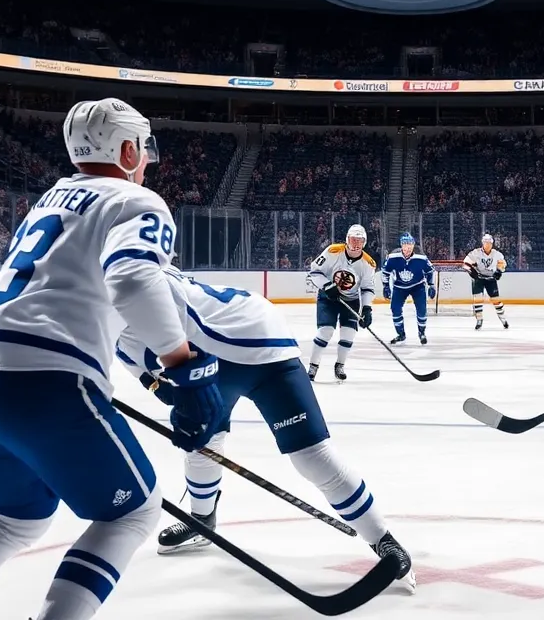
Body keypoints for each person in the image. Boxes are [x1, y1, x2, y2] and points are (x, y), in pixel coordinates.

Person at [0, 98, 224, 620]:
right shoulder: (136, 200)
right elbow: (133, 279)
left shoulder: (51, 198)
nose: (147, 161)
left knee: (15, 516)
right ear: (127, 150)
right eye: (143, 149)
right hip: (45, 381)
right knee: (133, 513)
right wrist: (181, 364)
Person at [114, 266, 416, 592]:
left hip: (259, 340)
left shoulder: (138, 284)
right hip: (215, 361)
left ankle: (382, 539)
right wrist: (177, 403)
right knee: (202, 445)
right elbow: (157, 384)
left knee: (312, 456)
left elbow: (175, 349)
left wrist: (186, 403)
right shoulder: (116, 338)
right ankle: (202, 520)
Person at [305, 224, 378, 383]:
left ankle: (340, 365)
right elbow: (315, 271)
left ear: (364, 242)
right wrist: (327, 285)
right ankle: (313, 366)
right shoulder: (333, 251)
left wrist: (367, 308)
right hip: (328, 298)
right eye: (353, 240)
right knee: (325, 331)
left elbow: (367, 288)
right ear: (347, 240)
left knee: (348, 334)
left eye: (360, 240)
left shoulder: (368, 263)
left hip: (351, 300)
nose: (356, 244)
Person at [381, 232, 435, 344]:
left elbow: (430, 271)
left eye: (410, 245)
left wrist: (431, 285)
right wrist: (385, 286)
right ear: (401, 245)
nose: (408, 248)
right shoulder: (393, 257)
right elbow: (385, 272)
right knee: (395, 309)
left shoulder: (421, 258)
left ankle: (422, 333)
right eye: (405, 245)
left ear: (413, 245)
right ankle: (401, 334)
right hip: (399, 287)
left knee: (422, 310)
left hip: (418, 286)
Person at [462, 233, 509, 330]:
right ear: (482, 243)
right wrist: (472, 272)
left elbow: (502, 264)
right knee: (477, 299)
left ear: (492, 244)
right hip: (478, 279)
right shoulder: (476, 253)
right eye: (485, 242)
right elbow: (465, 264)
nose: (487, 245)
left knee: (496, 300)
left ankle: (503, 319)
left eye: (489, 243)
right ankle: (479, 319)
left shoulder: (497, 254)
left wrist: (499, 271)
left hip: (491, 279)